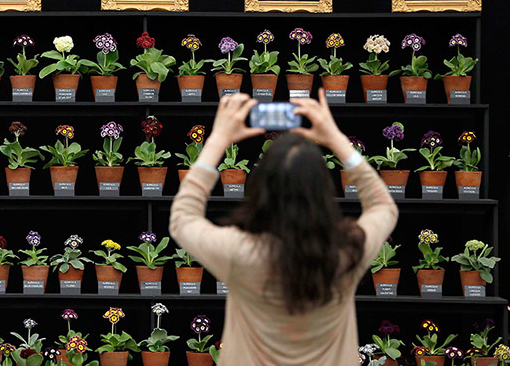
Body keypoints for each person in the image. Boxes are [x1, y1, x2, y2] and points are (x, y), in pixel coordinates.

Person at [169, 90, 398, 365]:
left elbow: (183, 218)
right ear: (324, 191)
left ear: (260, 189)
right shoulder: (346, 252)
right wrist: (336, 139)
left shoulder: (239, 252)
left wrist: (219, 139)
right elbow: (384, 207)